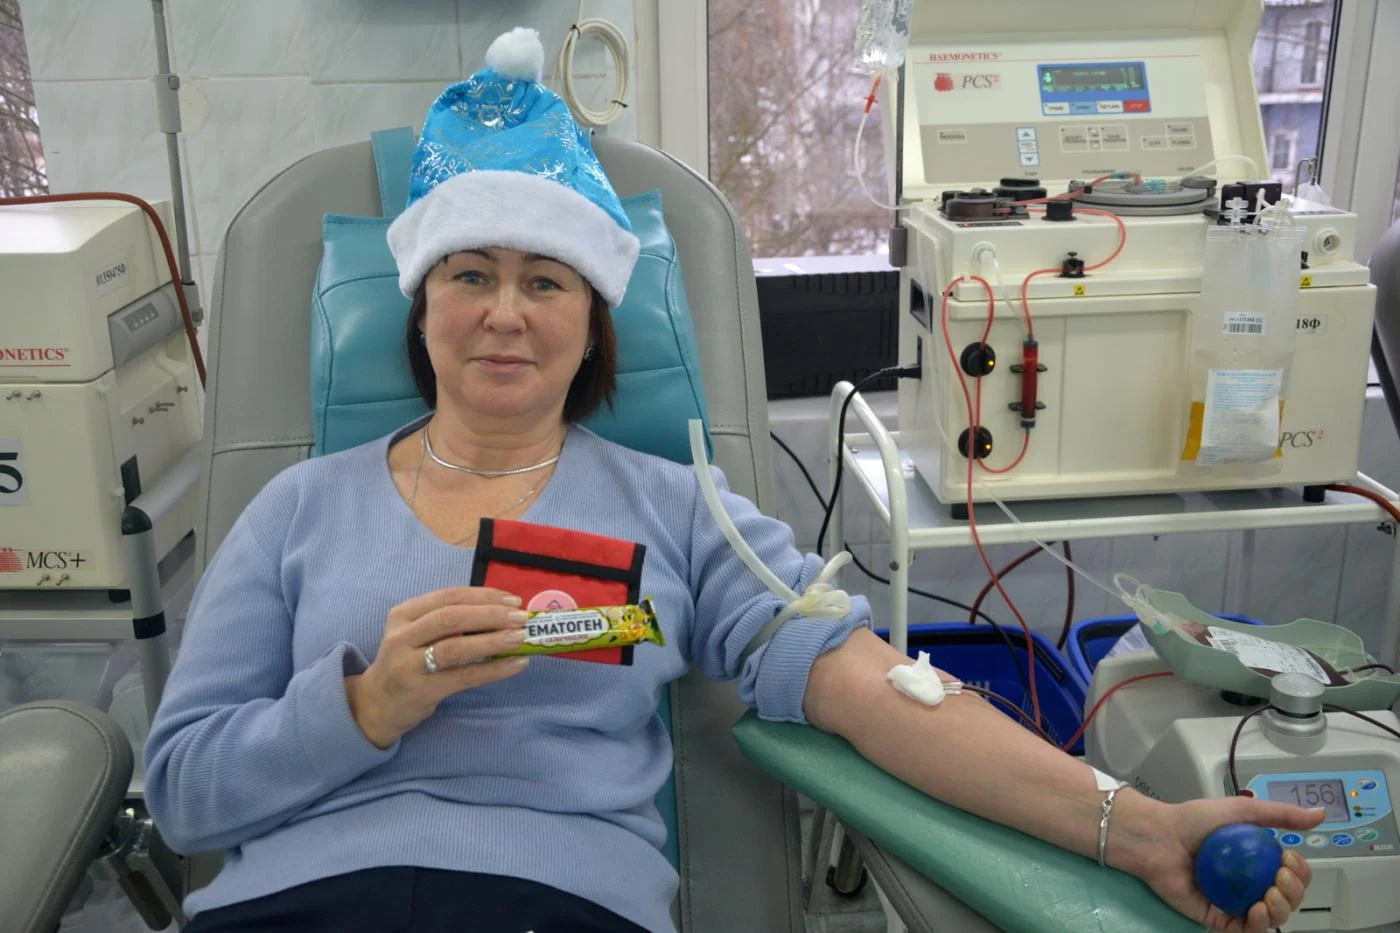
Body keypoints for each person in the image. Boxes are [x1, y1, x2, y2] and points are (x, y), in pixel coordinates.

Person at [145, 27, 1324, 933]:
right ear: (419, 307)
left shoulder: (675, 510)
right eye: (469, 274)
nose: (504, 312)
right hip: (299, 902)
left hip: (553, 904)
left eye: (545, 281)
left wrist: (1140, 829)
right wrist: (363, 708)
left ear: (593, 325)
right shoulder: (297, 508)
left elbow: (875, 692)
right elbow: (186, 792)